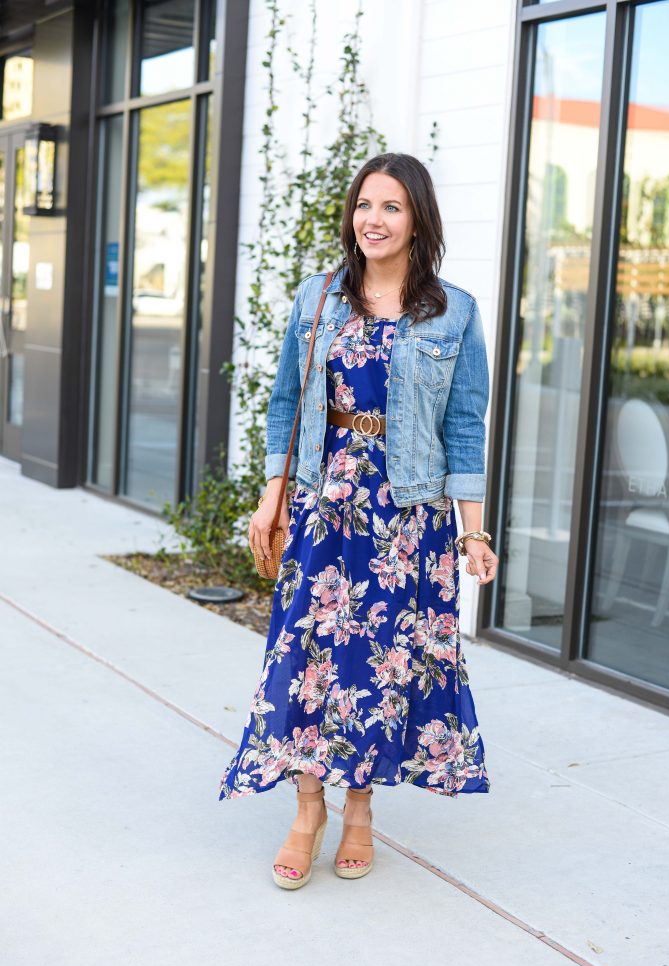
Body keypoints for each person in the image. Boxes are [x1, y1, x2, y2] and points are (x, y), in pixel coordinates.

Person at [218, 152, 498, 890]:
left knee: (382, 669)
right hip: (322, 502)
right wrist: (271, 496)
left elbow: (464, 427)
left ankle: (360, 811)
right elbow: (285, 403)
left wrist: (473, 529)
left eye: (392, 207)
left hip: (407, 515)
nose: (373, 219)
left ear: (417, 221)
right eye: (364, 205)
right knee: (306, 660)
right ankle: (306, 809)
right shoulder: (317, 299)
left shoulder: (454, 311)